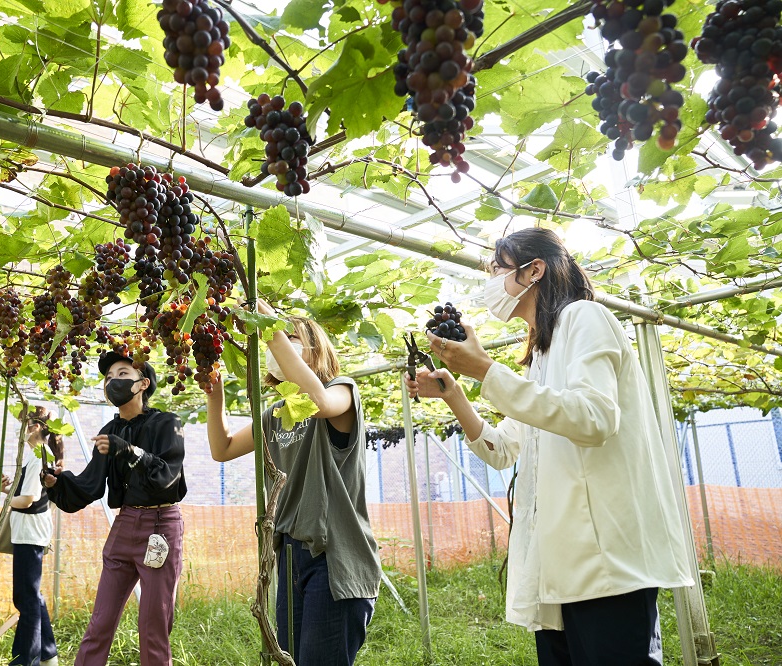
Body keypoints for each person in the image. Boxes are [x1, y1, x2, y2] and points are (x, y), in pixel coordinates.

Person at [407, 227, 694, 666]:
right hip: (559, 572)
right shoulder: (542, 358)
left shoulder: (585, 318)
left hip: (607, 568)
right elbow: (501, 449)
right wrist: (454, 394)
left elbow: (595, 418)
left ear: (533, 270)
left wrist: (487, 371)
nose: (490, 282)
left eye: (496, 269)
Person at [204, 301, 381, 666]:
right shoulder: (275, 414)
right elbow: (221, 449)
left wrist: (267, 328)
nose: (278, 343)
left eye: (290, 337)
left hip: (334, 556)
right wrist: (214, 392)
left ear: (314, 348)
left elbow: (319, 402)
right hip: (288, 556)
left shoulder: (341, 392)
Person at [43, 351, 187, 666]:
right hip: (125, 524)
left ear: (142, 383)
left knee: (153, 626)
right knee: (100, 622)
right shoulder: (110, 429)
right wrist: (57, 484)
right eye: (108, 378)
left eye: (122, 374)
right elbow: (90, 485)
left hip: (161, 526)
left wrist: (128, 451)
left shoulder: (167, 423)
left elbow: (167, 474)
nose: (113, 382)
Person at [0, 406, 64, 666]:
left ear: (35, 426)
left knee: (26, 598)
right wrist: (6, 490)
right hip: (28, 533)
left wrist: (5, 498)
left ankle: (25, 660)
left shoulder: (40, 455)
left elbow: (28, 500)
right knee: (30, 595)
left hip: (30, 534)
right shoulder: (36, 456)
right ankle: (48, 655)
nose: (21, 428)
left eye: (24, 423)